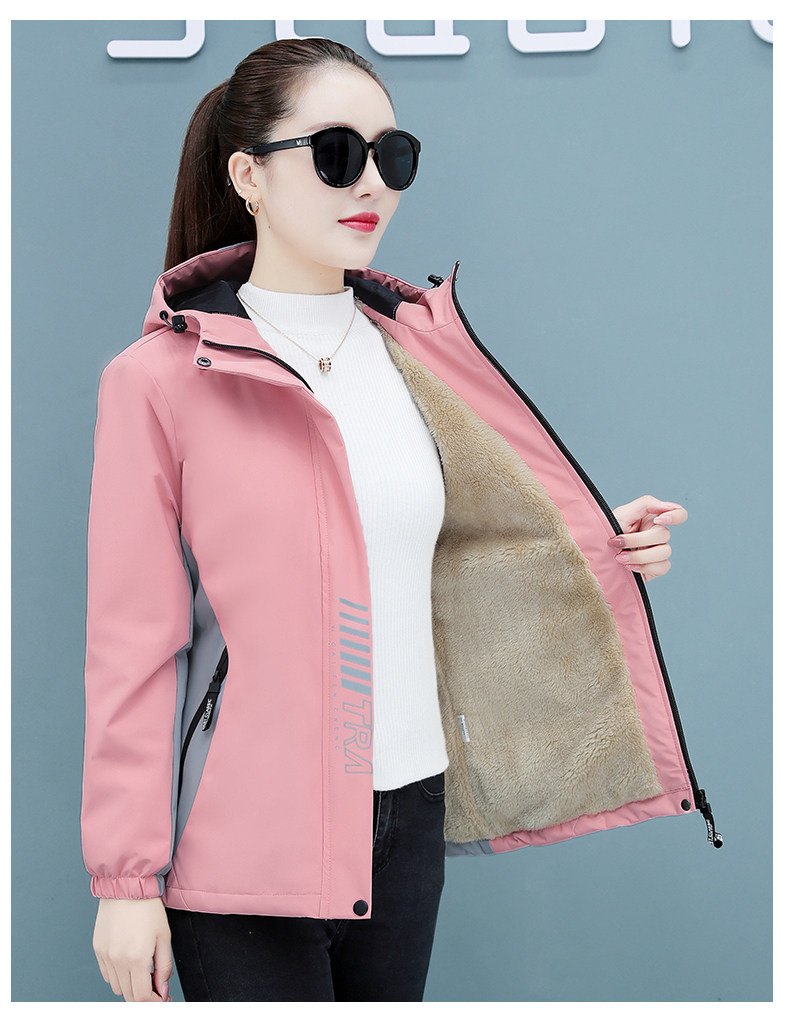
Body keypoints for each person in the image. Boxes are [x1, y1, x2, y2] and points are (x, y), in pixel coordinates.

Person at [81, 36, 715, 1003]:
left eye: (394, 154)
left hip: (408, 815)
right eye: (336, 153)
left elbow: (442, 552)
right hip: (246, 829)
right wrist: (126, 882)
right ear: (248, 176)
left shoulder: (417, 354)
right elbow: (133, 645)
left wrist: (596, 543)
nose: (372, 181)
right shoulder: (160, 381)